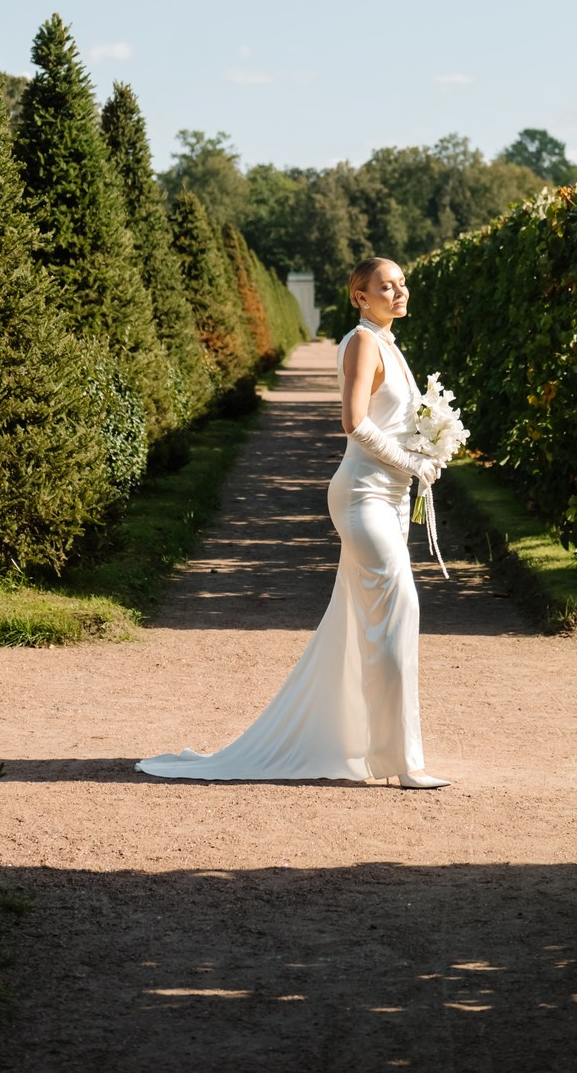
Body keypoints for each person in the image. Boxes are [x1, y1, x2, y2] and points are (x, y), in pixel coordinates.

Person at [135, 256, 450, 789]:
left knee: (359, 622)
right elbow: (354, 424)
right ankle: (403, 763)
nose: (399, 292)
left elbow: (395, 422)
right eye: (386, 285)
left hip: (393, 500)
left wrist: (429, 446)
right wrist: (412, 462)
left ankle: (364, 745)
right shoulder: (363, 342)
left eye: (401, 283)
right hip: (363, 498)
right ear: (360, 296)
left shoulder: (391, 344)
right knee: (400, 611)